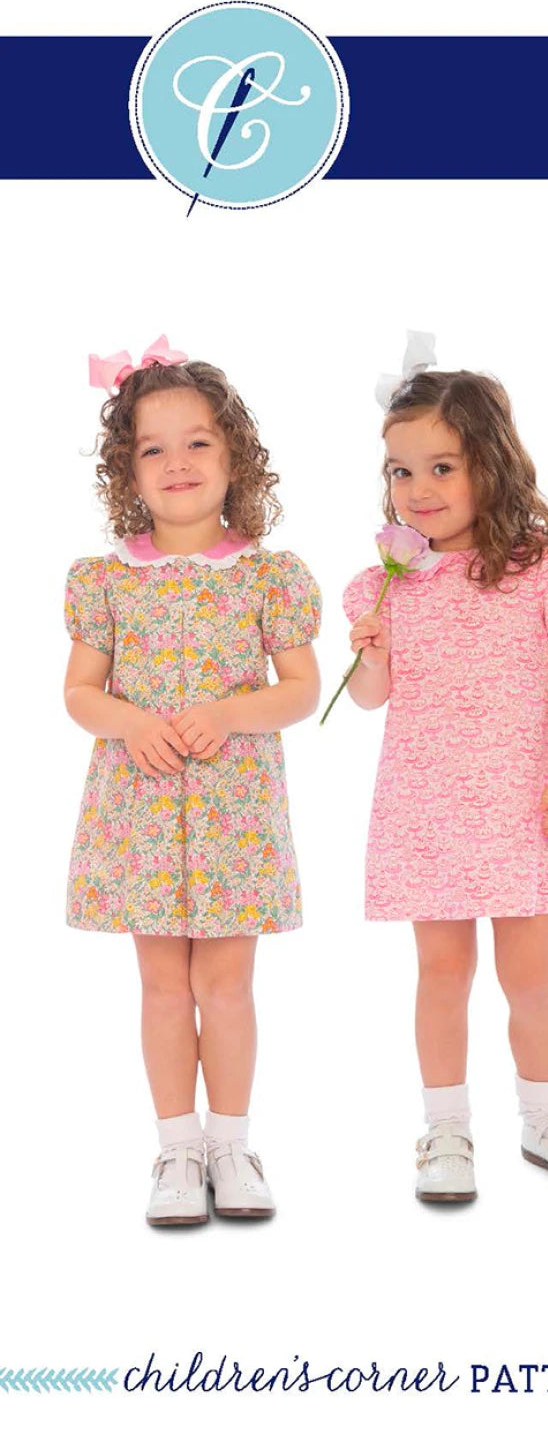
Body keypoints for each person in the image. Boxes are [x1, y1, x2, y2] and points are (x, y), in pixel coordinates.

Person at [343, 337, 548, 1202]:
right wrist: (370, 653)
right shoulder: (385, 584)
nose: (419, 489)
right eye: (402, 472)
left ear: (492, 461)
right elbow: (369, 699)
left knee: (530, 974)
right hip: (430, 806)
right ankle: (445, 1127)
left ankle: (546, 1117)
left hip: (525, 801)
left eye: (442, 466)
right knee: (441, 972)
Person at [64, 336, 321, 1225]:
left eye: (198, 442)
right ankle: (176, 1148)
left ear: (235, 456)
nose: (177, 462)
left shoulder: (267, 575)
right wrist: (132, 723)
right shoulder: (105, 580)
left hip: (232, 816)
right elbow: (79, 694)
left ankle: (232, 1145)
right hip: (140, 812)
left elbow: (300, 689)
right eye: (153, 448)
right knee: (163, 988)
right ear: (127, 470)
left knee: (227, 986)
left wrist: (229, 711)